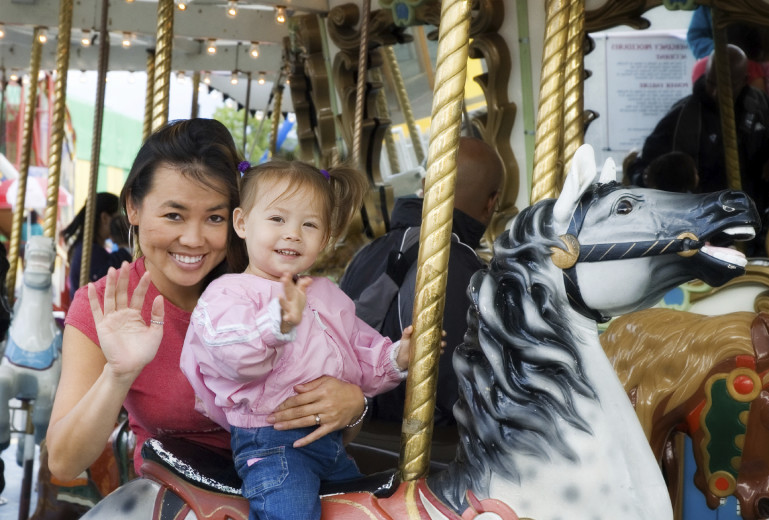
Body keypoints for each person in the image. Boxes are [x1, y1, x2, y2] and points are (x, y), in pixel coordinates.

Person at [45, 119, 370, 489]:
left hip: (294, 478)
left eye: (214, 218)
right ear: (133, 208)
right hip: (185, 491)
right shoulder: (105, 306)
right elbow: (64, 462)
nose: (194, 238)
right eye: (174, 215)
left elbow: (335, 425)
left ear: (238, 220)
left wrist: (353, 407)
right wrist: (117, 375)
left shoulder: (270, 285)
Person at [181, 160, 416, 520]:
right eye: (277, 219)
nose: (293, 233)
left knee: (373, 511)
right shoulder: (229, 293)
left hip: (330, 445)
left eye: (309, 224)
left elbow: (359, 353)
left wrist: (398, 356)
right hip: (273, 446)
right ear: (242, 223)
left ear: (324, 238)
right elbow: (233, 355)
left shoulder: (327, 294)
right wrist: (276, 324)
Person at [339, 136, 503, 426]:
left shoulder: (367, 253)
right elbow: (461, 392)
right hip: (422, 445)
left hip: (356, 432)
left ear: (426, 185)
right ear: (491, 203)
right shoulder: (463, 266)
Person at [626, 45, 769, 255]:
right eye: (712, 83)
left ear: (744, 79)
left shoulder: (759, 104)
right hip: (703, 223)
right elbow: (644, 166)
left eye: (726, 86)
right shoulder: (683, 115)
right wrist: (646, 177)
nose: (715, 92)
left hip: (756, 214)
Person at [61, 192, 132, 300]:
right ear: (104, 218)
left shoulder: (89, 248)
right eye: (118, 219)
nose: (121, 224)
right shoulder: (90, 251)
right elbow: (109, 276)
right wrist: (125, 245)